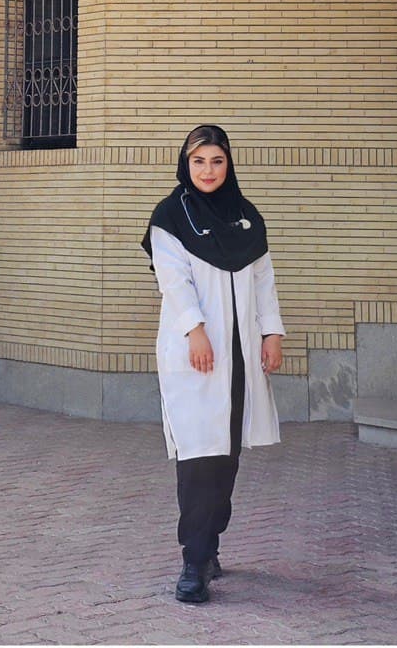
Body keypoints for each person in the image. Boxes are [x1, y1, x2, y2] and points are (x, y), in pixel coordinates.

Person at [141, 124, 286, 604]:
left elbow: (263, 280)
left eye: (217, 161)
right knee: (198, 454)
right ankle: (193, 559)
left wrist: (271, 333)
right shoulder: (170, 216)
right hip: (196, 355)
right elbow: (173, 280)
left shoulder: (246, 217)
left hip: (241, 355)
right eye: (199, 161)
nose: (208, 170)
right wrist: (195, 330)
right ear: (186, 164)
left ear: (229, 164)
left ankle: (211, 541)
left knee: (227, 453)